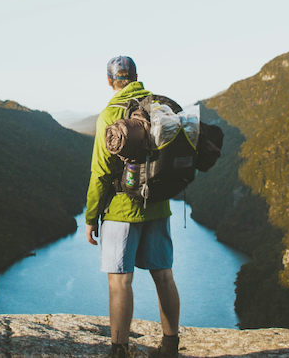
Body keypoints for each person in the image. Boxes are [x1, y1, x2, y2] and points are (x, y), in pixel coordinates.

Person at [85, 56, 181, 358]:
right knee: (164, 276)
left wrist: (91, 217)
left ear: (110, 81)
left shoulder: (109, 115)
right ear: (137, 77)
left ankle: (119, 350)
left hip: (121, 211)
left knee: (120, 282)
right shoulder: (158, 108)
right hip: (158, 205)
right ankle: (170, 346)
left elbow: (100, 173)